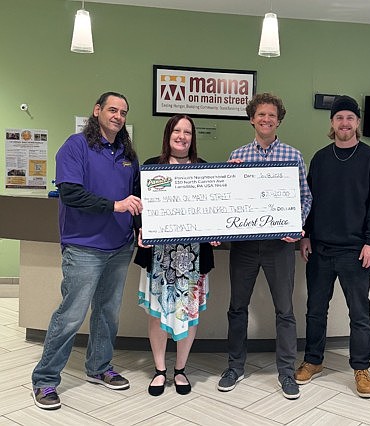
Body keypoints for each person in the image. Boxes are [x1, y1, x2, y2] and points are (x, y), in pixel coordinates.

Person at [31, 92, 143, 410]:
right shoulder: (75, 146)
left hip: (120, 247)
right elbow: (70, 193)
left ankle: (98, 368)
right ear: (96, 111)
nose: (118, 116)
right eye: (112, 109)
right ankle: (45, 381)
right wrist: (115, 205)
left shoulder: (127, 153)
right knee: (71, 315)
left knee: (107, 313)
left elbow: (136, 196)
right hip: (83, 247)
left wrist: (139, 228)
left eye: (123, 111)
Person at [217, 92, 312, 400]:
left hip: (279, 247)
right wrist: (228, 178)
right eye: (261, 115)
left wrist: (296, 225)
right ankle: (235, 366)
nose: (266, 120)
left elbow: (305, 198)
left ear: (278, 120)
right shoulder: (238, 156)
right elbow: (228, 200)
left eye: (272, 115)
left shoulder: (293, 155)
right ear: (252, 119)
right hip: (244, 246)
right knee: (237, 308)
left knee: (285, 310)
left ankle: (286, 372)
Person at [294, 95, 370, 398]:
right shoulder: (320, 158)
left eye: (349, 118)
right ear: (332, 123)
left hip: (356, 251)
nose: (344, 123)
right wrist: (305, 235)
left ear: (357, 123)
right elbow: (309, 202)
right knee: (315, 310)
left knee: (359, 313)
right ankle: (313, 360)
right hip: (320, 248)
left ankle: (361, 368)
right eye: (339, 118)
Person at [134, 115, 214, 396]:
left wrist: (215, 230)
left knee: (188, 313)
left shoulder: (205, 169)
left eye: (188, 132)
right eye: (177, 131)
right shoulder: (150, 167)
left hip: (192, 259)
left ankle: (180, 369)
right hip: (159, 257)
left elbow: (214, 208)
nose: (182, 136)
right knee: (157, 313)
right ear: (168, 134)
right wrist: (140, 230)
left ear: (193, 138)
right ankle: (159, 370)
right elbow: (138, 206)